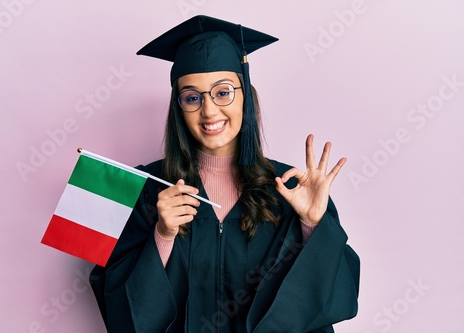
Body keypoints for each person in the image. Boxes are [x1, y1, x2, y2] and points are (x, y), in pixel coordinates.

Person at [90, 15, 360, 333]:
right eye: (192, 97)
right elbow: (116, 301)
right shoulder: (145, 189)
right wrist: (162, 234)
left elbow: (331, 298)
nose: (209, 110)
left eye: (223, 92)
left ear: (245, 96)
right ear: (179, 109)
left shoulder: (290, 188)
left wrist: (313, 225)